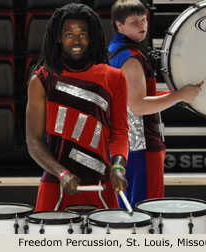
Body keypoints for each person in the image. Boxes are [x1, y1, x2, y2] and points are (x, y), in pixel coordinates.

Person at [26, 3, 129, 211]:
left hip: (103, 185)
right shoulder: (42, 80)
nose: (76, 41)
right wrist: (62, 173)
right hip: (56, 185)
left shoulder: (114, 77)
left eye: (82, 34)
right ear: (58, 37)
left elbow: (119, 132)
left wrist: (118, 167)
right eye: (69, 34)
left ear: (91, 38)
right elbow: (33, 142)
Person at [108, 0, 201, 207]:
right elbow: (138, 105)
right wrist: (178, 96)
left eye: (144, 19)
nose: (142, 25)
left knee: (126, 213)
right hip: (141, 147)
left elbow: (134, 96)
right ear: (119, 25)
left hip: (125, 146)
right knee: (146, 213)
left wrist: (176, 94)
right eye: (134, 21)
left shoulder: (115, 50)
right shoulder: (130, 58)